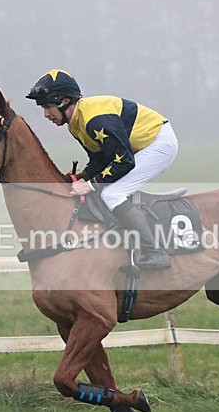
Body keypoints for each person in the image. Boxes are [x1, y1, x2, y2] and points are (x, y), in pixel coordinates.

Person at [26, 69, 178, 270]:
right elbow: (101, 158)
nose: (46, 114)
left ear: (64, 101)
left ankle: (156, 253)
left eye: (47, 107)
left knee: (112, 194)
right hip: (137, 148)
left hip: (158, 144)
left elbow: (124, 161)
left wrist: (90, 184)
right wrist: (82, 177)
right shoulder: (75, 123)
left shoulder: (95, 120)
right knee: (103, 188)